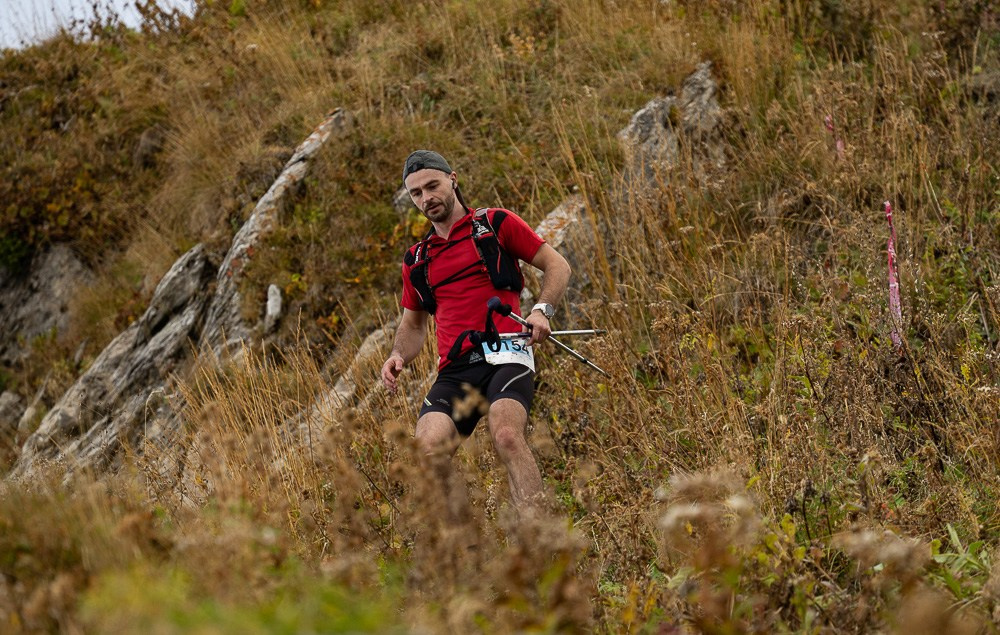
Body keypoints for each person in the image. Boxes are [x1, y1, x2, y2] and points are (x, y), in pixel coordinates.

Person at [381, 150, 571, 514]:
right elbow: (413, 324)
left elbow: (557, 266)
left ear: (452, 179)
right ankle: (464, 553)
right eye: (416, 194)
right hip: (456, 368)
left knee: (506, 435)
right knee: (427, 450)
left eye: (432, 186)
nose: (426, 198)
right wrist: (397, 355)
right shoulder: (417, 259)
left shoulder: (495, 223)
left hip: (508, 351)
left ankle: (542, 543)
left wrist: (541, 311)